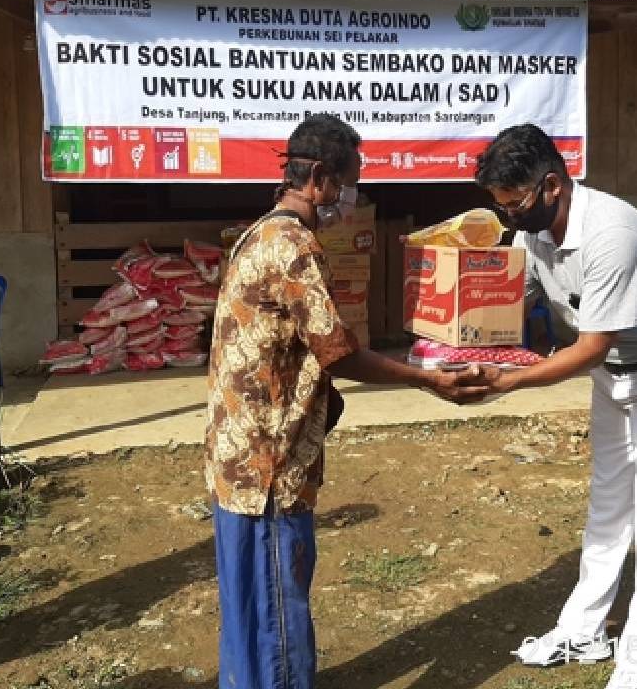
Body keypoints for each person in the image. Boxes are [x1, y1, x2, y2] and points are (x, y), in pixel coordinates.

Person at [205, 114, 489, 689]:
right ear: (321, 178)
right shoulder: (294, 246)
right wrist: (425, 378)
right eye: (349, 182)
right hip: (270, 468)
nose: (351, 197)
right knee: (277, 611)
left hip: (235, 457)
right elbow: (338, 352)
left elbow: (288, 346)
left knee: (247, 607)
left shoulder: (256, 233)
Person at [472, 124, 637, 689]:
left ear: (552, 185)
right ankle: (584, 628)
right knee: (608, 505)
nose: (509, 218)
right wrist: (454, 334)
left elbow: (591, 345)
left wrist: (507, 380)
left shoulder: (612, 233)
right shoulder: (535, 231)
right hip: (614, 377)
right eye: (500, 206)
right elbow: (512, 297)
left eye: (515, 204)